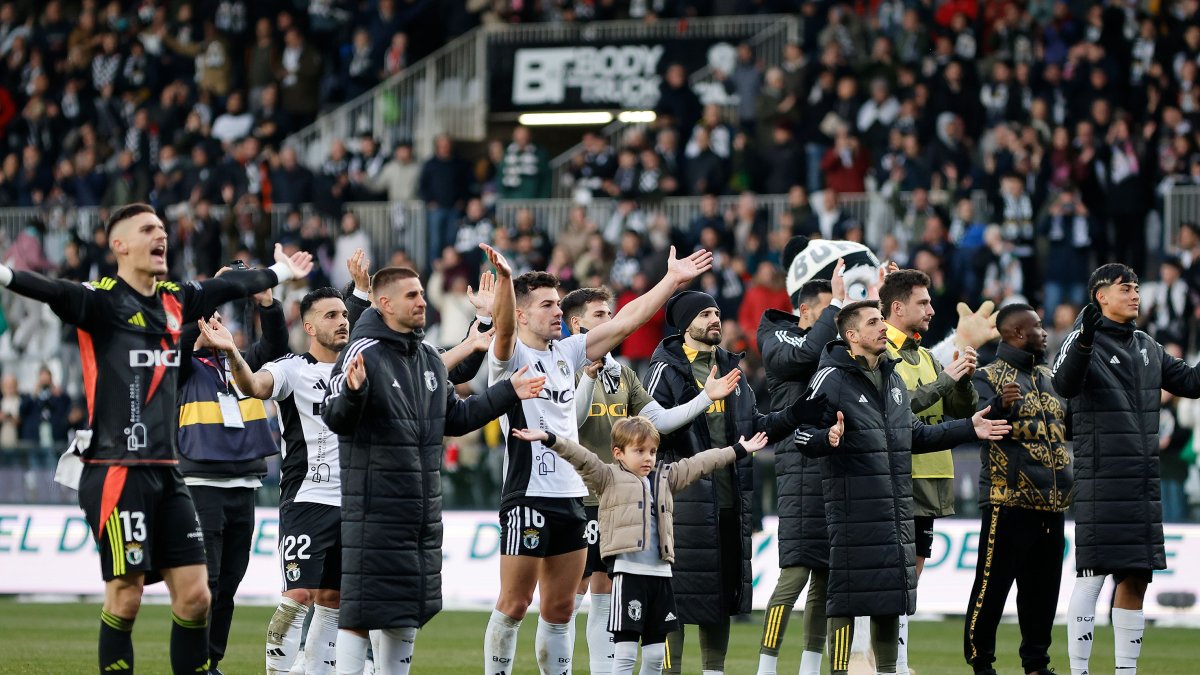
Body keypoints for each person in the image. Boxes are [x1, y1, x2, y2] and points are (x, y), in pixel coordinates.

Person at [0, 203, 312, 674]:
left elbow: (227, 286)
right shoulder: (101, 301)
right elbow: (50, 289)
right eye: (147, 229)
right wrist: (4, 274)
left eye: (163, 228)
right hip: (116, 471)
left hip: (168, 474)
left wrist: (279, 271)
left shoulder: (174, 299)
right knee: (125, 598)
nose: (160, 235)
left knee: (196, 595)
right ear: (119, 245)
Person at [483, 243, 713, 675]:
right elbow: (505, 328)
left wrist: (672, 281)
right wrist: (506, 286)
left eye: (558, 302)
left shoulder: (566, 354)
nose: (556, 311)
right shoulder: (510, 356)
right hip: (527, 495)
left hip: (573, 496)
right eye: (547, 305)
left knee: (562, 607)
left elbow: (627, 321)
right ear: (524, 313)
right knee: (515, 603)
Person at [321, 265, 547, 675]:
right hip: (375, 514)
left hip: (421, 516)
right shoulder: (362, 351)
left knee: (407, 613)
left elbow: (456, 418)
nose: (422, 301)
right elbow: (335, 416)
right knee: (360, 613)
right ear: (384, 303)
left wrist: (506, 391)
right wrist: (352, 395)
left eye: (422, 293)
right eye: (411, 295)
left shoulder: (426, 357)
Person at [795, 300, 1011, 675]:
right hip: (853, 512)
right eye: (873, 322)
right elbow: (800, 432)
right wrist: (825, 438)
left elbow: (913, 434)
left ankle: (889, 672)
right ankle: (841, 671)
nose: (883, 327)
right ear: (852, 336)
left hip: (895, 511)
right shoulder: (831, 377)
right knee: (847, 602)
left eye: (882, 319)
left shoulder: (892, 378)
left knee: (890, 603)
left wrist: (967, 428)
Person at [642, 290, 826, 675]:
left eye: (717, 313)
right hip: (682, 502)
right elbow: (651, 430)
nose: (715, 319)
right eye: (705, 313)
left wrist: (794, 414)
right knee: (676, 597)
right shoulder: (665, 368)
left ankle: (714, 671)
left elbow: (753, 428)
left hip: (728, 501)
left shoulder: (732, 369)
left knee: (720, 597)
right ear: (685, 323)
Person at [561, 286, 743, 674]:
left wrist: (704, 399)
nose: (609, 322)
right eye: (599, 315)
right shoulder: (565, 368)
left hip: (613, 503)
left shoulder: (624, 373)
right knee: (568, 598)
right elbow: (570, 424)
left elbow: (658, 421)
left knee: (606, 590)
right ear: (577, 324)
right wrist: (588, 376)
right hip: (574, 494)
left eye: (611, 314)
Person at [513, 418, 770, 675]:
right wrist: (549, 438)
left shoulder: (665, 478)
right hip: (629, 576)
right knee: (625, 653)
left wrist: (738, 449)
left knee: (657, 654)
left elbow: (701, 463)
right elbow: (581, 457)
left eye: (652, 451)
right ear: (618, 453)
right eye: (639, 451)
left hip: (662, 577)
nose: (648, 457)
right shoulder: (608, 477)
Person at [1051, 263, 1200, 675]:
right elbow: (1063, 384)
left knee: (1136, 580)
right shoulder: (1084, 340)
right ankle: (1079, 670)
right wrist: (1082, 335)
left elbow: (1190, 382)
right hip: (1101, 479)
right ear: (1101, 296)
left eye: (1136, 288)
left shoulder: (1147, 345)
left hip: (1141, 483)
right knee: (1092, 577)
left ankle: (1125, 673)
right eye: (1126, 288)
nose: (1135, 295)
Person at [202, 285, 350, 675]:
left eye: (345, 314)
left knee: (333, 599)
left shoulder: (357, 367)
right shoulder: (290, 368)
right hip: (306, 499)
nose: (342, 322)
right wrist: (233, 352)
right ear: (310, 327)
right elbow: (252, 386)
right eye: (331, 316)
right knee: (298, 595)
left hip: (352, 503)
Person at [178, 267, 291, 674]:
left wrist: (264, 301)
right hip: (202, 485)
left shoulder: (241, 364)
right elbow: (180, 340)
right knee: (206, 584)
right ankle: (194, 663)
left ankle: (211, 662)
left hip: (244, 486)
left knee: (228, 584)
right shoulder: (184, 368)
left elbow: (277, 343)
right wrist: (214, 294)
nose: (217, 326)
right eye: (209, 322)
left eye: (220, 320)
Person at [963, 303, 1072, 675]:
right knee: (991, 590)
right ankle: (981, 664)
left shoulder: (1054, 377)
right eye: (1038, 327)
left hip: (1053, 504)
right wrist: (998, 406)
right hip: (1007, 501)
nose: (1044, 332)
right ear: (1018, 334)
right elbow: (974, 420)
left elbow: (1067, 428)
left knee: (1043, 594)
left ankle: (1037, 665)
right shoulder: (986, 377)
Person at [879, 268, 979, 672]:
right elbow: (899, 409)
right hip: (901, 474)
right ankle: (891, 662)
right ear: (898, 307)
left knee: (912, 574)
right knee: (897, 576)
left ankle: (894, 658)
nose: (931, 309)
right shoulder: (882, 353)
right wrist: (945, 380)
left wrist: (963, 381)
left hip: (934, 475)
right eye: (923, 302)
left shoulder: (923, 354)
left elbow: (961, 411)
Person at [754, 259, 846, 675]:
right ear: (806, 310)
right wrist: (837, 309)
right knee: (793, 574)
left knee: (827, 580)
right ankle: (766, 665)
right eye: (829, 309)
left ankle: (811, 666)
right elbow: (808, 354)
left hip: (834, 464)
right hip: (797, 465)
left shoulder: (834, 342)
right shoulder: (778, 337)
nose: (836, 318)